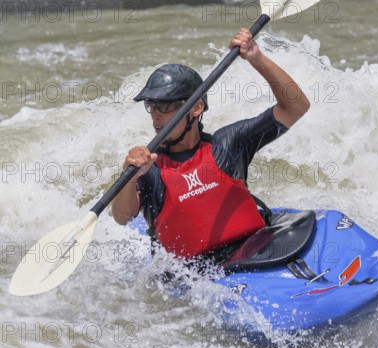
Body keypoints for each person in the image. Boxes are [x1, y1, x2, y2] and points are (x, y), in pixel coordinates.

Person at [112, 28, 310, 263]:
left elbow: (296, 107)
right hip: (196, 277)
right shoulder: (150, 168)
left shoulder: (228, 144)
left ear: (196, 108)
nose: (156, 115)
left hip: (251, 251)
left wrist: (256, 57)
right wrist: (130, 174)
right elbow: (122, 217)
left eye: (165, 106)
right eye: (152, 106)